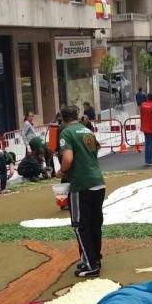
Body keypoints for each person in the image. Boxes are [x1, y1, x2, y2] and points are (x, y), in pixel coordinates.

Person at [57, 106, 105, 277]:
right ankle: (94, 258)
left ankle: (90, 263)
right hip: (97, 181)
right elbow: (97, 148)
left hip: (81, 183)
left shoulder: (66, 133)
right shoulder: (86, 130)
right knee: (94, 223)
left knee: (80, 225)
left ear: (63, 119)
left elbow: (68, 158)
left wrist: (62, 171)